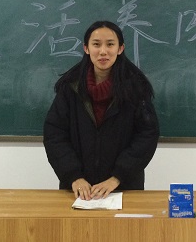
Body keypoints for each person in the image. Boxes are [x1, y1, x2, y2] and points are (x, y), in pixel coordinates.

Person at [43, 20, 160, 201]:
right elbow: (54, 134)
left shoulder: (135, 88)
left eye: (110, 44)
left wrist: (117, 177)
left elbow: (147, 135)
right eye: (96, 44)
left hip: (124, 188)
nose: (103, 51)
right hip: (78, 190)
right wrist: (74, 176)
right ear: (86, 48)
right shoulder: (70, 87)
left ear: (120, 48)